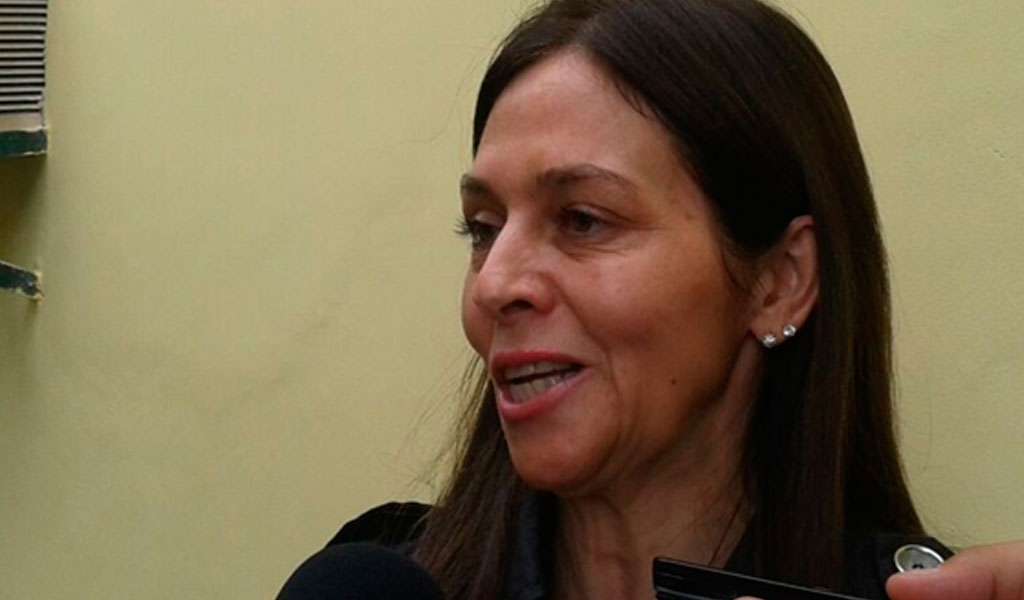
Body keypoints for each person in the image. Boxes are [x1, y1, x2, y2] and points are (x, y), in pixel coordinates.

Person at [281, 0, 1022, 598]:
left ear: (779, 281)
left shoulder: (917, 595)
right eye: (483, 229)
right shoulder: (383, 584)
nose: (495, 284)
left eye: (582, 220)